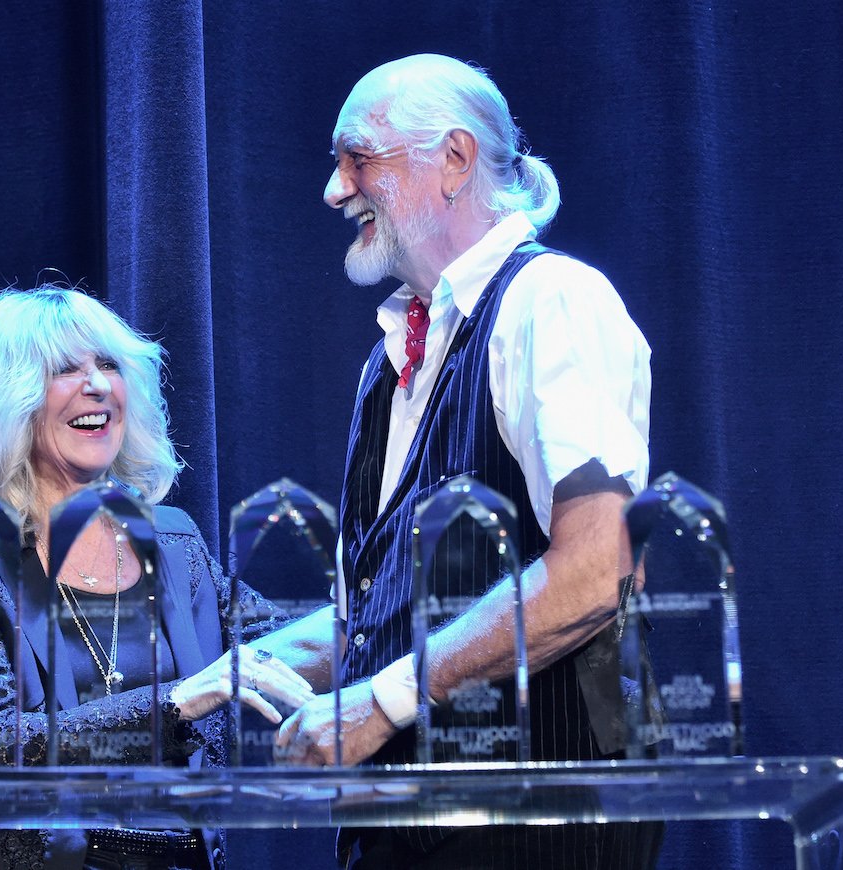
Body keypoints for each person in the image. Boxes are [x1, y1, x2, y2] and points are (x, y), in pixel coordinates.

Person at [270, 54, 662, 867]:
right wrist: (238, 671)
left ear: (453, 161)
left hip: (531, 826)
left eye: (357, 157)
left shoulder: (550, 301)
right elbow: (376, 621)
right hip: (402, 835)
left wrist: (380, 702)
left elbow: (599, 572)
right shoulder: (386, 367)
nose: (334, 190)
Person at [0, 285, 314, 870]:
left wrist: (392, 610)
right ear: (6, 400)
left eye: (110, 365)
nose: (97, 384)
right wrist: (178, 701)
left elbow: (282, 645)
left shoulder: (170, 542)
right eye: (66, 369)